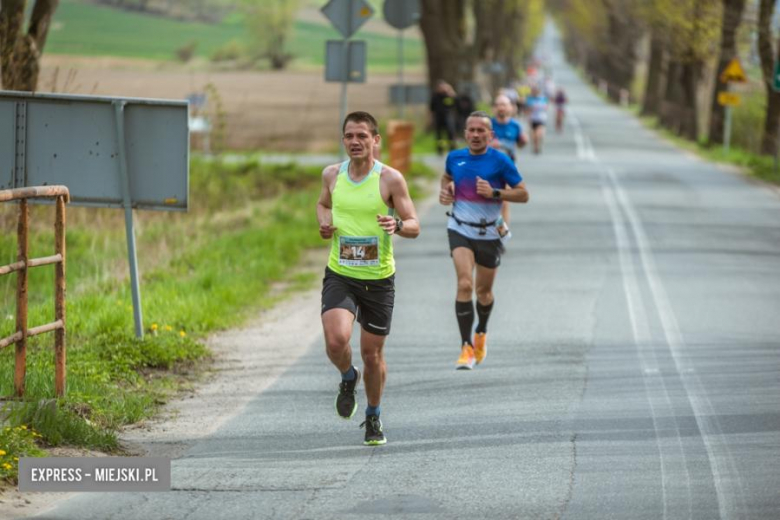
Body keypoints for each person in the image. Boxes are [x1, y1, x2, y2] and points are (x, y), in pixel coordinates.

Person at [317, 111, 420, 446]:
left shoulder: (390, 179)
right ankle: (348, 378)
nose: (355, 142)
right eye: (349, 136)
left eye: (362, 136)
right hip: (341, 273)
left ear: (376, 140)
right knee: (336, 341)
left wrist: (398, 226)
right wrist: (324, 223)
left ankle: (373, 415)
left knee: (372, 354)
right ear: (343, 140)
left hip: (378, 279)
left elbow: (414, 223)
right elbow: (322, 204)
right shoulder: (332, 174)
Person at [439, 111, 529, 370]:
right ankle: (466, 347)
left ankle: (481, 332)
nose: (476, 135)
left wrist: (495, 192)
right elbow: (447, 177)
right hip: (459, 227)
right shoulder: (454, 158)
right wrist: (447, 189)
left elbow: (524, 194)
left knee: (484, 292)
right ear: (465, 133)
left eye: (481, 131)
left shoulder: (500, 161)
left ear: (490, 135)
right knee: (465, 284)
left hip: (489, 232)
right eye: (471, 130)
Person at [490, 94, 528, 238]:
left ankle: (501, 234)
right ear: (494, 108)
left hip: (507, 170)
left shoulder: (516, 125)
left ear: (511, 108)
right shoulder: (488, 125)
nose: (501, 107)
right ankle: (488, 233)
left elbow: (521, 143)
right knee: (488, 204)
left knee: (503, 202)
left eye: (504, 104)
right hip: (488, 168)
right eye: (498, 104)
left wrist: (524, 141)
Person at [429, 80, 457, 155]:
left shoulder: (448, 95)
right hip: (438, 117)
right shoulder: (435, 97)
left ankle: (452, 148)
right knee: (439, 135)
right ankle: (440, 150)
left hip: (448, 117)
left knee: (450, 133)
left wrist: (451, 91)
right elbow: (432, 109)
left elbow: (456, 103)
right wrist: (431, 119)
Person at [524, 86, 548, 154]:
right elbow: (526, 110)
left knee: (538, 134)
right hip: (532, 119)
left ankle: (538, 146)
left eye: (536, 90)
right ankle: (535, 147)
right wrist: (529, 110)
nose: (534, 92)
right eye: (533, 90)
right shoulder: (529, 99)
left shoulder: (543, 98)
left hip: (541, 119)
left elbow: (546, 108)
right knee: (533, 136)